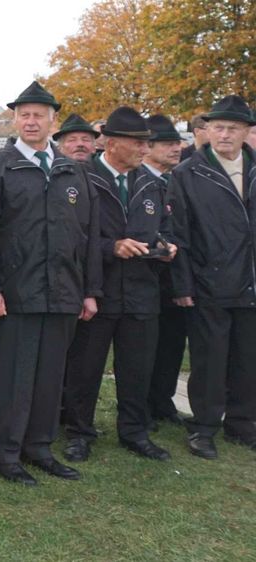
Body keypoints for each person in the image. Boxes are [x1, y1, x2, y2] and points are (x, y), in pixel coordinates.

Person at [0, 81, 101, 486]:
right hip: (18, 291)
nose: (31, 122)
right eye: (24, 115)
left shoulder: (73, 170)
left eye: (38, 115)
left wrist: (89, 291)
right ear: (15, 120)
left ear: (53, 122)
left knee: (51, 375)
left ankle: (39, 447)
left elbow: (88, 235)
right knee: (14, 376)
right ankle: (4, 451)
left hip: (64, 291)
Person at [59, 107, 174, 463]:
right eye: (137, 142)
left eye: (146, 143)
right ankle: (79, 432)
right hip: (98, 291)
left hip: (142, 293)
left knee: (137, 369)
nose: (144, 149)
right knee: (85, 369)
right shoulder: (82, 179)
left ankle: (134, 432)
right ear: (111, 144)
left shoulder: (152, 183)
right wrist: (112, 247)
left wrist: (167, 247)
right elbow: (70, 236)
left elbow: (166, 228)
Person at [167, 95, 256, 458]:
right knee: (209, 361)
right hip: (209, 283)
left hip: (251, 283)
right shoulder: (188, 173)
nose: (224, 135)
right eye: (218, 127)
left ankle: (242, 424)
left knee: (248, 360)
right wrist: (183, 284)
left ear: (246, 132)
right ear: (207, 130)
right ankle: (203, 427)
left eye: (233, 128)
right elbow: (178, 234)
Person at [141, 114, 188, 428]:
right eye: (167, 144)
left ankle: (163, 400)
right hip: (150, 278)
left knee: (172, 344)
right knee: (148, 348)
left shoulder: (175, 180)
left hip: (176, 278)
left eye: (177, 143)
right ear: (148, 147)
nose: (176, 148)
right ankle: (143, 405)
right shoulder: (142, 181)